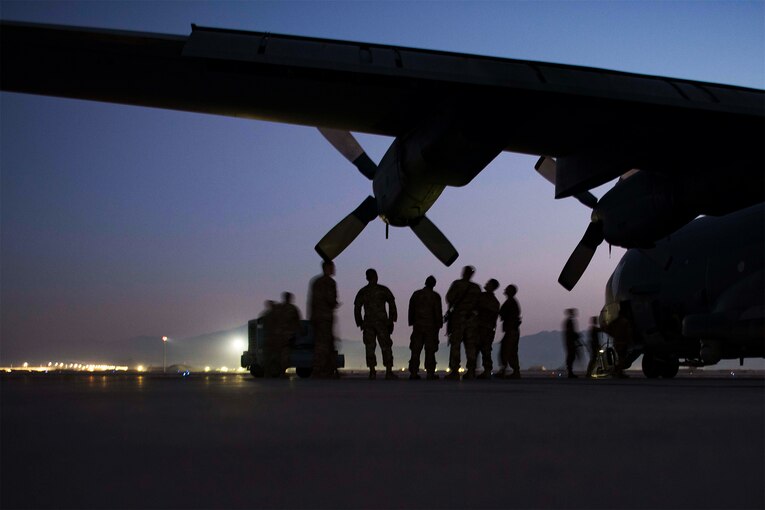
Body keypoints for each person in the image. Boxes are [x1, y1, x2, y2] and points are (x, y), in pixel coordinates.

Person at [354, 268, 398, 380]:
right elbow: (392, 303)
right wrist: (392, 320)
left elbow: (357, 307)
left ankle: (372, 372)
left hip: (368, 324)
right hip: (382, 324)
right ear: (376, 276)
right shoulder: (383, 290)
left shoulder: (363, 291)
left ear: (367, 278)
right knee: (386, 346)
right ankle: (388, 372)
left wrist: (360, 322)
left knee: (369, 347)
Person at [444, 265, 481, 380]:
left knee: (455, 345)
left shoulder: (457, 284)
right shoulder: (476, 288)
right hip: (472, 320)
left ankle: (455, 371)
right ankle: (471, 371)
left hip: (458, 318)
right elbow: (480, 304)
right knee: (471, 346)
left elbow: (449, 298)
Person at [407, 275, 443, 380]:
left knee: (415, 350)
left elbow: (411, 309)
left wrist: (412, 322)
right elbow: (437, 312)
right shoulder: (435, 296)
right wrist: (439, 325)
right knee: (430, 351)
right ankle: (430, 373)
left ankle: (413, 373)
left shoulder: (416, 294)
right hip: (431, 328)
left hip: (418, 326)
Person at [309, 261, 339, 378]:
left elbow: (311, 301)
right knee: (323, 345)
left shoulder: (316, 282)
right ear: (327, 268)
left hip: (316, 317)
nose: (334, 269)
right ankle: (320, 371)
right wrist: (334, 304)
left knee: (321, 343)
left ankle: (326, 370)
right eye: (332, 267)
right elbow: (330, 299)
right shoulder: (330, 282)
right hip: (325, 318)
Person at [475, 279, 500, 379]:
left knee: (483, 350)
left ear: (492, 286)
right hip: (485, 328)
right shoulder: (493, 301)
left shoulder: (486, 299)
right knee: (482, 350)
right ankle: (485, 370)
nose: (486, 284)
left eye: (488, 283)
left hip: (484, 328)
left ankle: (485, 371)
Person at [273, 292, 302, 377]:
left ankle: (275, 371)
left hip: (277, 335)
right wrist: (301, 331)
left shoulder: (278, 308)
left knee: (277, 353)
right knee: (285, 353)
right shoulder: (292, 308)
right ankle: (282, 372)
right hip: (288, 335)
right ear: (290, 298)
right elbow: (298, 321)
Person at [497, 284, 522, 379]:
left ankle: (507, 371)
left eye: (507, 289)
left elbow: (502, 313)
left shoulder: (510, 302)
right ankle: (512, 371)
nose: (505, 290)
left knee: (507, 350)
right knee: (510, 351)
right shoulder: (511, 302)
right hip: (512, 330)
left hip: (511, 330)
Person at [563, 308, 580, 378]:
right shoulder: (569, 322)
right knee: (571, 357)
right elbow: (570, 333)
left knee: (571, 357)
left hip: (570, 342)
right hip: (570, 342)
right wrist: (576, 336)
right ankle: (570, 372)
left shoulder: (569, 321)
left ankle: (570, 372)